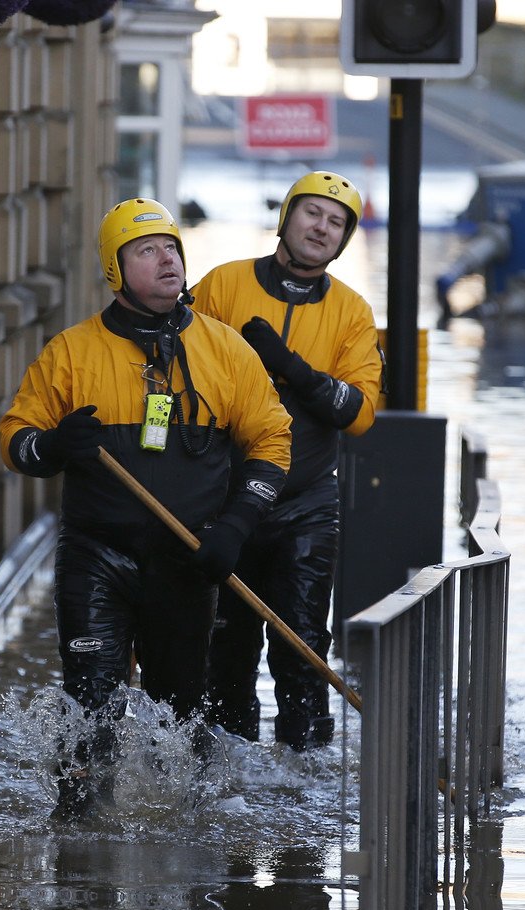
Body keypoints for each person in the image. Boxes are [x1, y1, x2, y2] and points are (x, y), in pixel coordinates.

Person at [0, 197, 291, 818]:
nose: (166, 260)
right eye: (146, 250)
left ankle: (179, 846)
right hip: (97, 558)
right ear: (115, 269)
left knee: (181, 720)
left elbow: (273, 441)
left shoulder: (226, 350)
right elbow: (16, 440)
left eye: (171, 248)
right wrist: (51, 444)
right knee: (91, 709)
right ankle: (80, 845)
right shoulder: (71, 353)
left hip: (189, 562)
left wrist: (237, 527)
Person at [190, 171, 382, 752]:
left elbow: (359, 411)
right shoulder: (223, 284)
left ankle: (301, 785)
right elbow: (175, 367)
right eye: (312, 214)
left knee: (301, 649)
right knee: (226, 651)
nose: (321, 229)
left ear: (344, 238)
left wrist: (290, 366)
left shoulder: (351, 312)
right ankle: (230, 785)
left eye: (336, 222)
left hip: (304, 504)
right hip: (224, 497)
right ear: (287, 217)